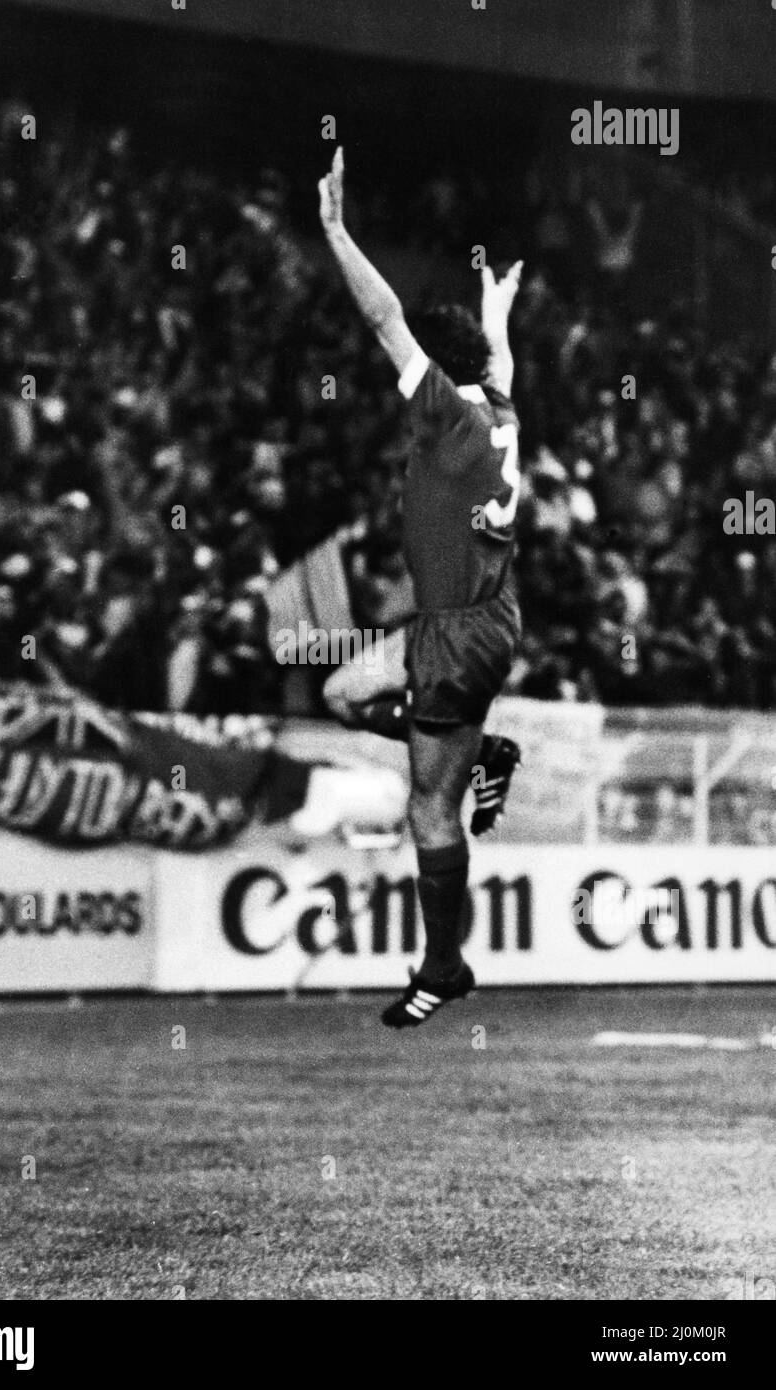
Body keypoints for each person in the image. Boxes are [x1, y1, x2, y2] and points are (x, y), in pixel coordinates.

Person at [318, 148, 523, 1028]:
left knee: (427, 804)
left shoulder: (441, 411)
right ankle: (486, 754)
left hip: (453, 630)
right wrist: (494, 314)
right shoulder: (497, 410)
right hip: (479, 616)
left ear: (436, 373)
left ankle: (443, 967)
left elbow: (382, 316)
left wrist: (333, 228)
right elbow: (501, 365)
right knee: (341, 690)